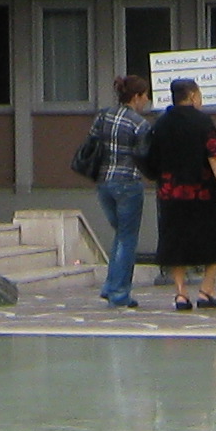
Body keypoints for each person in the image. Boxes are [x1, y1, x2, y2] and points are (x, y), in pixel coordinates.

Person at [140, 75, 216, 310]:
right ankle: (206, 290)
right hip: (203, 192)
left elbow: (151, 158)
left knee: (174, 242)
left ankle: (181, 293)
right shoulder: (203, 122)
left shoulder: (161, 123)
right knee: (215, 241)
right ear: (192, 96)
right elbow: (214, 155)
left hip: (170, 193)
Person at [78, 72, 154, 309]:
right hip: (128, 182)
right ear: (137, 96)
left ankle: (111, 286)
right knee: (127, 237)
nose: (147, 101)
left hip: (104, 182)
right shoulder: (140, 124)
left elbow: (91, 142)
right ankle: (119, 292)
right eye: (145, 96)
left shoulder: (103, 115)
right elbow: (143, 155)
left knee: (120, 234)